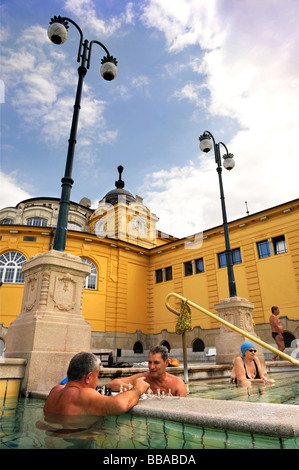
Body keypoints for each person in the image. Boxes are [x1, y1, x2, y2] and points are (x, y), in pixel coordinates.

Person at [43, 352, 150, 416]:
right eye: (97, 375)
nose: (97, 380)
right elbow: (120, 405)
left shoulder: (55, 391)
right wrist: (137, 390)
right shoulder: (83, 395)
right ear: (88, 377)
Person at [107, 345, 187, 397]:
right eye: (149, 362)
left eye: (156, 363)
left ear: (166, 363)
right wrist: (137, 388)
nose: (151, 367)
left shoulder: (177, 384)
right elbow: (111, 384)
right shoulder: (142, 379)